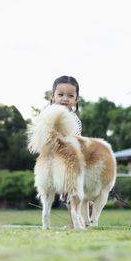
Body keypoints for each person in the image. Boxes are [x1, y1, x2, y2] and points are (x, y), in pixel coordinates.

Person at [48, 76, 91, 229]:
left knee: (69, 193)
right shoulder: (48, 115)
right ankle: (84, 209)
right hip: (57, 160)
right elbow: (42, 131)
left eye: (70, 96)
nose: (65, 99)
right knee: (67, 194)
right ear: (52, 96)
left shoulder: (72, 119)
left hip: (71, 159)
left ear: (76, 98)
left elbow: (72, 139)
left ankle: (76, 222)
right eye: (60, 95)